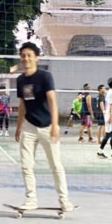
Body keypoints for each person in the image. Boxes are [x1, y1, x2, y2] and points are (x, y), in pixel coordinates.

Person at [14, 42, 74, 212]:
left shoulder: (45, 77)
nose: (26, 59)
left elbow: (53, 101)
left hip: (47, 126)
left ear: (36, 58)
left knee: (56, 165)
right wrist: (19, 126)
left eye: (29, 55)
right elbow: (23, 105)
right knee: (26, 165)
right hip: (28, 127)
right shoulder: (21, 80)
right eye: (23, 56)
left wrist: (55, 125)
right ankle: (31, 199)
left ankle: (64, 201)